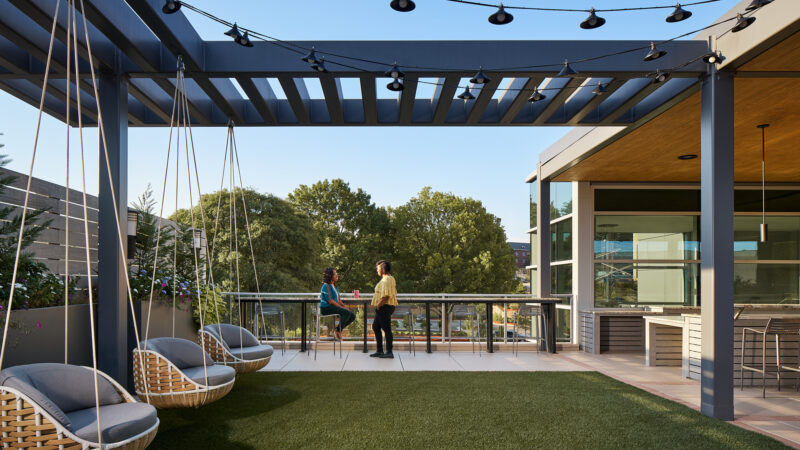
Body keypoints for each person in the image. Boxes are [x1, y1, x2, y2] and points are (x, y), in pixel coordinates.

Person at [371, 260, 398, 359]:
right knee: (376, 327)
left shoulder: (386, 279)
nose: (377, 270)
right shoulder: (389, 278)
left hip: (384, 306)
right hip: (384, 307)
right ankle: (379, 350)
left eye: (378, 268)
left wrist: (378, 305)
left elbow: (386, 296)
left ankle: (389, 352)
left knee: (386, 329)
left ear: (382, 269)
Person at [320, 268, 355, 340]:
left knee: (352, 316)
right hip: (326, 308)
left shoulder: (335, 286)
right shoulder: (326, 285)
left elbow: (338, 300)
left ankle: (337, 330)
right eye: (335, 274)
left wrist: (344, 307)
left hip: (333, 307)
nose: (337, 275)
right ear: (330, 276)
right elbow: (330, 301)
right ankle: (338, 331)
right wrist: (342, 308)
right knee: (346, 313)